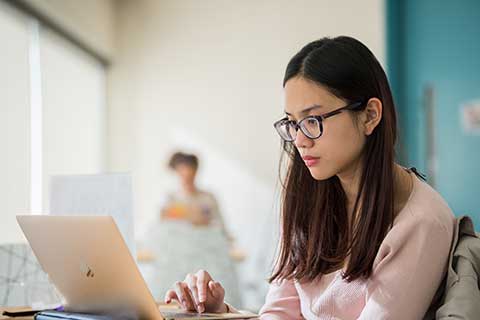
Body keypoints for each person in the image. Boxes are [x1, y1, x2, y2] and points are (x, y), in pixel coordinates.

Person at [163, 36, 455, 319]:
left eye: (313, 120)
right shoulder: (309, 196)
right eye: (292, 123)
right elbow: (279, 311)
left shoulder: (421, 222)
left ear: (370, 115)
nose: (300, 140)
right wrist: (219, 313)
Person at [161, 152, 228, 230]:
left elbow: (220, 226)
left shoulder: (208, 198)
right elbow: (164, 224)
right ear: (177, 172)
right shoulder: (171, 198)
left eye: (189, 174)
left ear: (195, 172)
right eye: (182, 173)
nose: (186, 178)